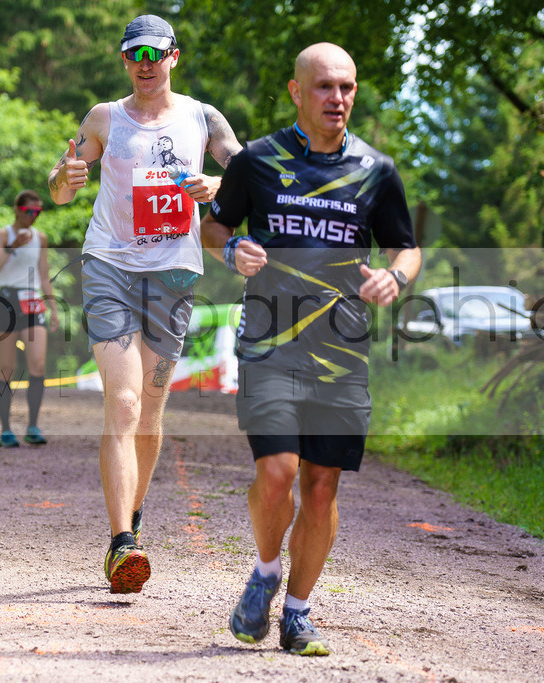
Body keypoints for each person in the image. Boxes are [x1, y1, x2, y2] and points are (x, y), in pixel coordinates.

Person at [200, 43, 422, 655]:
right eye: (325, 87)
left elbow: (407, 246)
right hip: (270, 344)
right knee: (277, 474)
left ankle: (297, 611)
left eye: (347, 88)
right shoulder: (257, 163)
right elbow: (213, 224)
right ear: (297, 92)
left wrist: (395, 278)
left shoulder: (377, 170)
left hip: (342, 352)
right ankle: (266, 571)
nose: (338, 99)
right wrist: (229, 250)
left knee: (322, 486)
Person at [47, 14, 242, 594]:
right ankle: (121, 545)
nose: (146, 63)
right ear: (125, 60)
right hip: (108, 265)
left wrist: (220, 187)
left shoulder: (202, 117)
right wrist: (65, 175)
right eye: (136, 54)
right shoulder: (104, 117)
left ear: (174, 57)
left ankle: (131, 517)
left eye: (156, 53)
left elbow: (246, 166)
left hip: (174, 275)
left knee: (152, 413)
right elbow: (59, 186)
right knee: (125, 402)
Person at [0, 190, 60, 447]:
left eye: (38, 212)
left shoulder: (41, 238)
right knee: (7, 367)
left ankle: (33, 426)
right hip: (6, 300)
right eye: (29, 212)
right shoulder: (4, 234)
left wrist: (53, 307)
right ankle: (5, 429)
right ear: (17, 209)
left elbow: (44, 274)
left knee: (37, 364)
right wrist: (11, 248)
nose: (33, 217)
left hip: (32, 300)